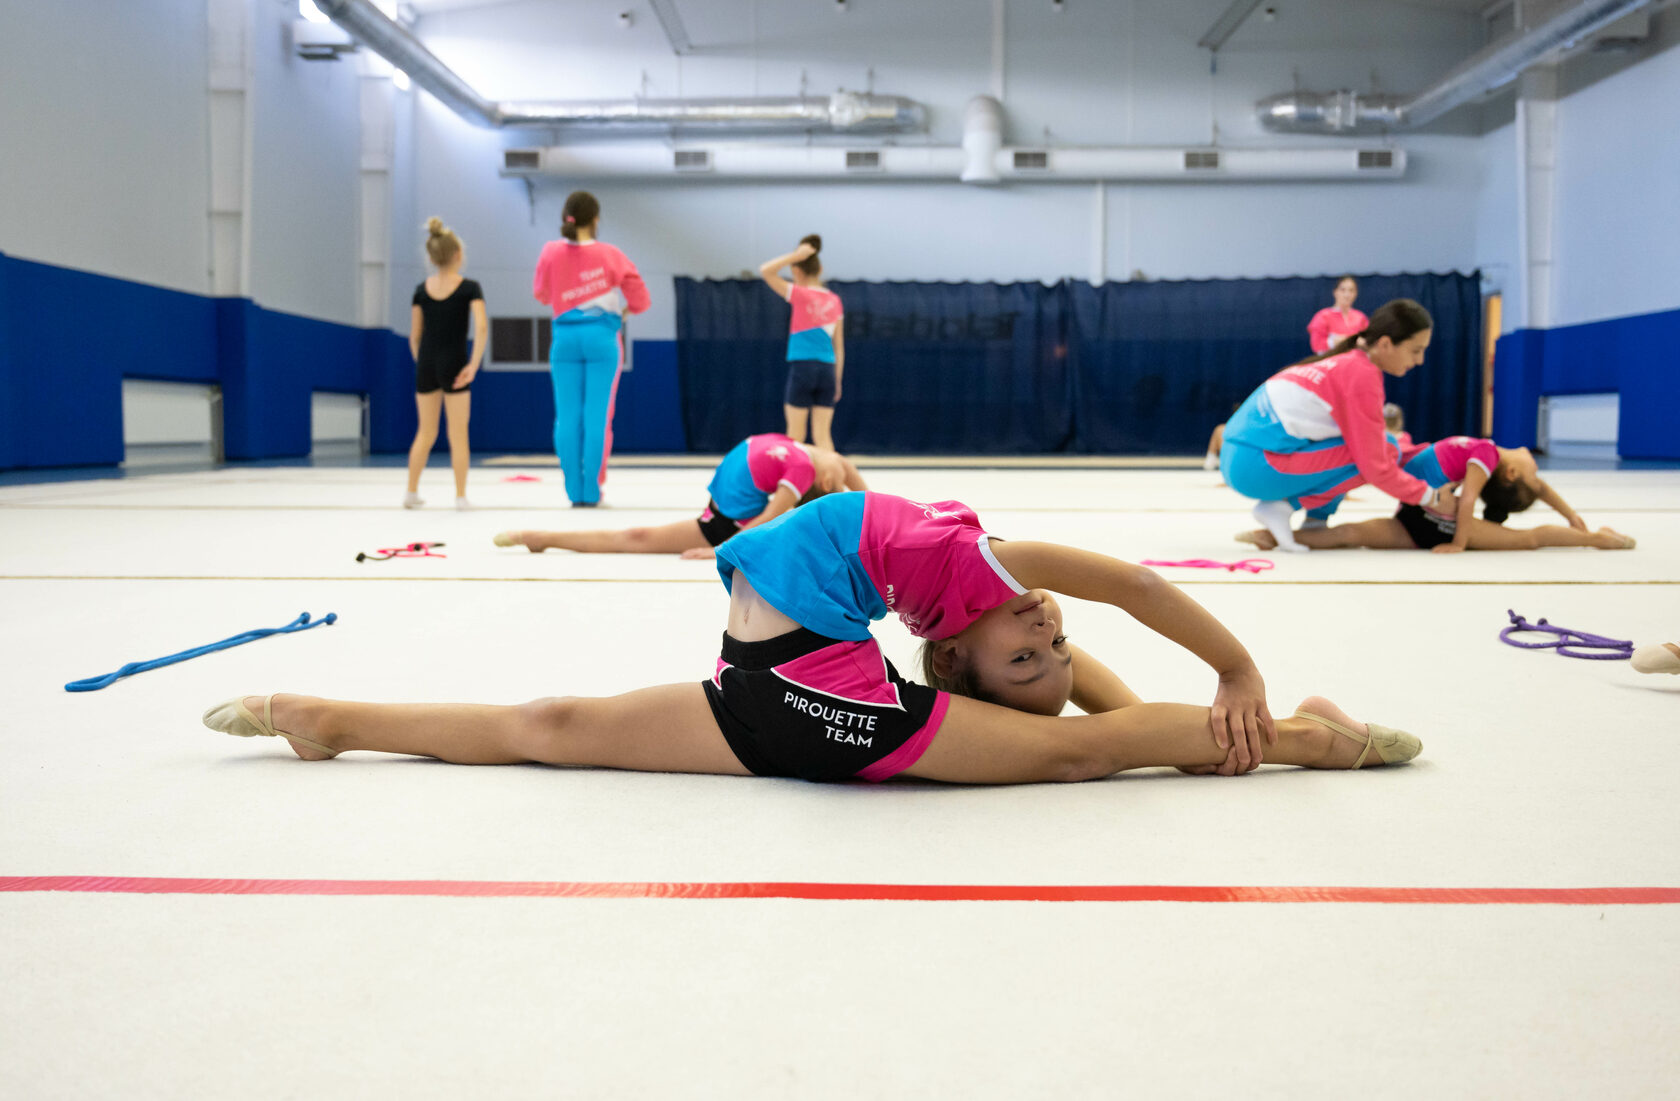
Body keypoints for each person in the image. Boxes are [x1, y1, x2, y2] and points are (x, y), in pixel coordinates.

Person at [203, 492, 1421, 782]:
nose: (1046, 624)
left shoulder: (951, 598)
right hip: (774, 681)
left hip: (807, 693)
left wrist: (1245, 698)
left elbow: (1088, 656)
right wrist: (1234, 661)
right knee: (551, 722)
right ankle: (326, 716)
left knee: (1074, 748)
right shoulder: (970, 568)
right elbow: (1121, 587)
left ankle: (1321, 742)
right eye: (1036, 641)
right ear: (956, 648)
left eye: (1033, 655)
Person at [1219, 299, 1455, 553]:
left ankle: (1314, 524)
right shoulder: (1361, 376)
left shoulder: (1345, 362)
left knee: (1377, 445)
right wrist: (1431, 498)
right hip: (1255, 466)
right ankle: (1284, 507)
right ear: (1386, 344)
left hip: (1240, 458)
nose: (1420, 361)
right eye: (1416, 350)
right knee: (1384, 449)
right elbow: (1376, 465)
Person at [492, 433, 867, 560]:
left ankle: (542, 538)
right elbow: (847, 470)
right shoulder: (806, 453)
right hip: (720, 513)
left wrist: (722, 548)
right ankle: (542, 538)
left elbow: (770, 515)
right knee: (635, 537)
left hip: (730, 526)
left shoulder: (803, 469)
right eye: (838, 482)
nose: (839, 481)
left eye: (834, 487)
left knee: (636, 539)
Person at [1236, 435, 1632, 553]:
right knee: (1531, 538)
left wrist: (1458, 542)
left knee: (1350, 535)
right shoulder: (1491, 456)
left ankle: (1272, 535)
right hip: (1436, 523)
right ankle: (1596, 540)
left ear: (1510, 473)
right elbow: (1534, 488)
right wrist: (1572, 520)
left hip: (1420, 520)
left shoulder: (1486, 453)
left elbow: (1472, 498)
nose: (1538, 467)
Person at [533, 190, 650, 508]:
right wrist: (621, 311)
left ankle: (573, 491)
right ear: (595, 219)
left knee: (567, 417)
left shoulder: (551, 252)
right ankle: (592, 489)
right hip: (602, 339)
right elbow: (641, 299)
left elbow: (541, 294)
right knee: (597, 417)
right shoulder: (611, 254)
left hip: (564, 339)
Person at [405, 218, 487, 511]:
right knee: (457, 433)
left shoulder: (420, 290)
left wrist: (421, 361)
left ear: (431, 257)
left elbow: (415, 335)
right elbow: (481, 327)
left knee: (425, 432)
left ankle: (411, 492)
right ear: (458, 255)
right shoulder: (469, 288)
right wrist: (474, 364)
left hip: (426, 362)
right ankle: (461, 496)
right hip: (455, 363)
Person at [759, 235, 844, 452]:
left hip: (803, 368)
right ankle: (832, 483)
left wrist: (796, 255)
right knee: (823, 437)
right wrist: (838, 380)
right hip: (827, 370)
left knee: (795, 436)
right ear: (820, 269)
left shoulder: (799, 293)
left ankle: (796, 483)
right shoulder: (834, 300)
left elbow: (766, 270)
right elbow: (839, 346)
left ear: (796, 271)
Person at [1308, 276, 1369, 356]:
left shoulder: (1361, 317)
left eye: (1351, 290)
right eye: (1343, 290)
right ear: (1335, 292)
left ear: (1356, 294)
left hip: (1356, 363)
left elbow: (1370, 343)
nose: (1347, 295)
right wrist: (1335, 341)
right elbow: (1316, 346)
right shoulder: (1323, 316)